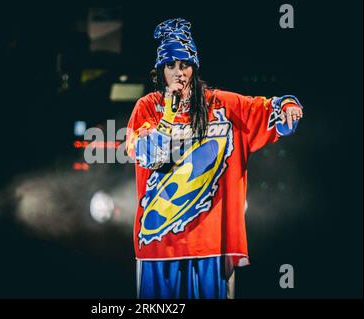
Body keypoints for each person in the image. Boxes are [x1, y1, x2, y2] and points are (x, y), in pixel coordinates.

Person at [126, 18, 303, 299]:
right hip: (159, 245)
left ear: (194, 67)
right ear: (161, 70)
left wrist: (288, 106)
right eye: (170, 65)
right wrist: (169, 116)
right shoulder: (147, 107)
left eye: (184, 64)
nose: (178, 72)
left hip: (211, 244)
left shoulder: (220, 103)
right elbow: (146, 154)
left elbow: (264, 109)